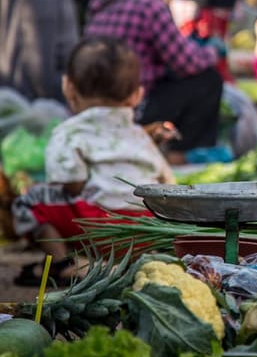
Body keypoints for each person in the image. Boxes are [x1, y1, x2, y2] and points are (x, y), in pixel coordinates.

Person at [11, 37, 175, 286]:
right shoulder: (141, 135)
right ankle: (136, 265)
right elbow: (166, 182)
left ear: (68, 88)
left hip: (96, 228)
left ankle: (62, 265)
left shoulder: (69, 132)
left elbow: (72, 184)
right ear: (137, 95)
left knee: (29, 200)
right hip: (145, 228)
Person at [85, 0, 223, 162]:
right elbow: (187, 63)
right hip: (134, 107)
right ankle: (180, 155)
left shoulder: (101, 2)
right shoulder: (149, 5)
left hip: (94, 105)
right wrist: (213, 51)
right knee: (207, 79)